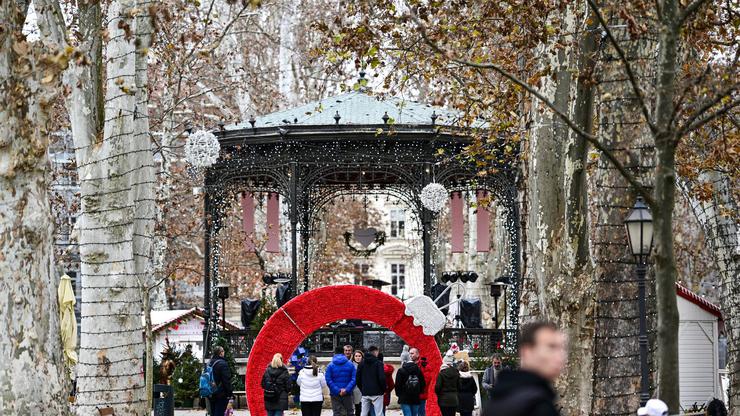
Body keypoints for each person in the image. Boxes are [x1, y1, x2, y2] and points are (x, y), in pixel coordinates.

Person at [485, 321, 566, 416]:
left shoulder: (499, 400)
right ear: (527, 351)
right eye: (551, 347)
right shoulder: (536, 406)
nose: (561, 356)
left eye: (562, 348)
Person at [326, 346, 357, 416]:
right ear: (343, 352)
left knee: (337, 413)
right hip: (348, 393)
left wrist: (337, 390)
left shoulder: (330, 365)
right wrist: (346, 389)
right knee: (350, 412)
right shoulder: (351, 364)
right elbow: (354, 379)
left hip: (335, 394)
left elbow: (328, 380)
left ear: (334, 353)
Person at [395, 346, 427, 416]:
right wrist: (418, 392)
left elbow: (397, 385)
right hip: (415, 397)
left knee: (407, 414)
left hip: (404, 397)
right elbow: (423, 384)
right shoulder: (418, 370)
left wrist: (399, 395)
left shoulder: (401, 370)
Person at [357, 346, 386, 416]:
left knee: (363, 413)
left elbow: (358, 379)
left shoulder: (361, 363)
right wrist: (383, 389)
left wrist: (362, 389)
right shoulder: (379, 363)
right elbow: (382, 378)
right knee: (379, 413)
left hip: (365, 391)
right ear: (376, 352)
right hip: (377, 392)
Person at [209, 346, 233, 416]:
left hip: (210, 392)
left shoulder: (209, 363)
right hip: (221, 393)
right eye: (223, 351)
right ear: (221, 353)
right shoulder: (222, 364)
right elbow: (226, 380)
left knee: (213, 412)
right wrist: (230, 394)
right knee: (220, 412)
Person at [352, 350, 364, 416]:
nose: (358, 358)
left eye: (359, 356)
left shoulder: (365, 365)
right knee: (358, 408)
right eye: (356, 356)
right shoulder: (351, 366)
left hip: (364, 389)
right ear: (353, 357)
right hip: (355, 390)